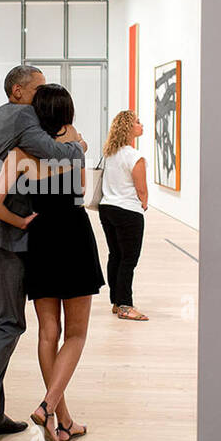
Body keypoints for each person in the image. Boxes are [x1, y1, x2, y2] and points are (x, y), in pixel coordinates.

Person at [0, 65, 87, 441]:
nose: (41, 98)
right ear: (18, 91)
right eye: (37, 89)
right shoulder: (25, 117)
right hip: (0, 235)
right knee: (8, 324)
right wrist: (79, 145)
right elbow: (60, 154)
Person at [0, 85, 104, 441]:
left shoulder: (20, 153)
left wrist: (21, 223)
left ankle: (63, 422)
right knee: (77, 334)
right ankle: (48, 406)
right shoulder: (72, 150)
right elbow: (80, 192)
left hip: (40, 241)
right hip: (74, 236)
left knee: (47, 333)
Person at [97, 110, 150, 321]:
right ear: (129, 128)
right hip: (128, 212)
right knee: (129, 259)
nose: (141, 124)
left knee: (115, 256)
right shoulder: (135, 157)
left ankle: (117, 302)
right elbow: (142, 189)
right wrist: (144, 203)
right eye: (137, 121)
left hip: (107, 209)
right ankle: (126, 305)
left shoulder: (110, 153)